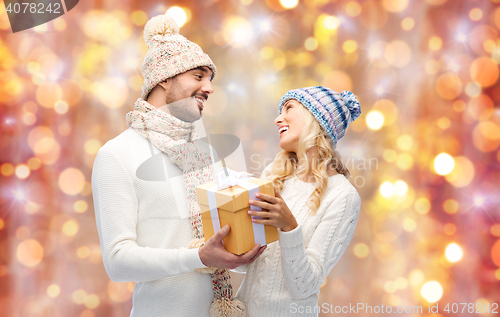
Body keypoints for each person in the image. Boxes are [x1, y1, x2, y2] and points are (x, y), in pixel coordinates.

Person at [91, 14, 264, 317]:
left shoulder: (201, 152)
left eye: (210, 79)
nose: (209, 88)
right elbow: (117, 263)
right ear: (164, 78)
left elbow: (223, 232)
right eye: (198, 77)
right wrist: (198, 257)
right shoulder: (117, 154)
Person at [235, 86, 362, 316]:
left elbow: (304, 285)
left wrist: (289, 227)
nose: (277, 119)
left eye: (289, 108)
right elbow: (252, 266)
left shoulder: (343, 196)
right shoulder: (274, 175)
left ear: (315, 119)